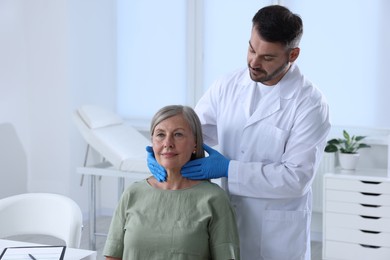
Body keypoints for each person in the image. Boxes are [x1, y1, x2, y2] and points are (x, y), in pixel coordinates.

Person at [147, 5, 330, 260]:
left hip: (277, 238)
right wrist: (162, 151)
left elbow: (296, 179)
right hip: (224, 222)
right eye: (251, 49)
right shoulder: (227, 85)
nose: (254, 62)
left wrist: (229, 169)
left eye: (267, 57)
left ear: (293, 55)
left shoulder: (310, 104)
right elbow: (194, 133)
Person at [103, 105, 240, 260]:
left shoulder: (214, 199)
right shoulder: (132, 194)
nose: (168, 143)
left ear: (195, 144)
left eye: (178, 134)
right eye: (160, 135)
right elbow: (113, 256)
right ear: (152, 143)